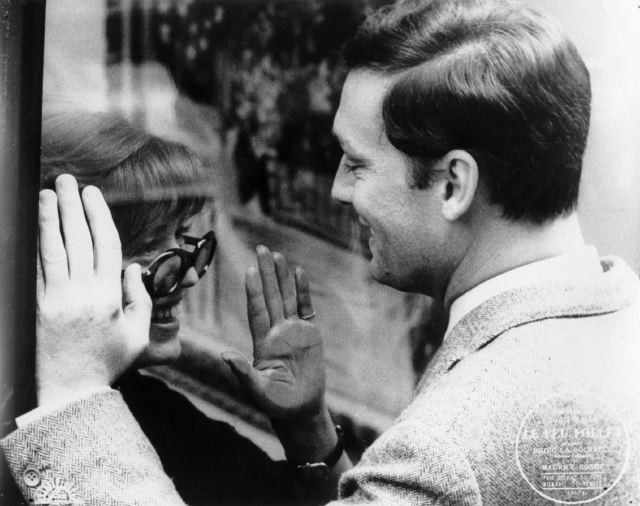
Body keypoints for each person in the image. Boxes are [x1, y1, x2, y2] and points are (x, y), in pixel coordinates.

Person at [3, 0, 640, 504]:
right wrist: (310, 433)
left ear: (453, 185)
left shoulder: (448, 447)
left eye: (356, 164)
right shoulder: (616, 326)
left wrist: (76, 395)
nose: (335, 189)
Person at [6, 108, 296, 505]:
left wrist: (309, 428)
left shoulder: (149, 404)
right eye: (147, 245)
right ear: (53, 260)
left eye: (181, 235)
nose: (189, 276)